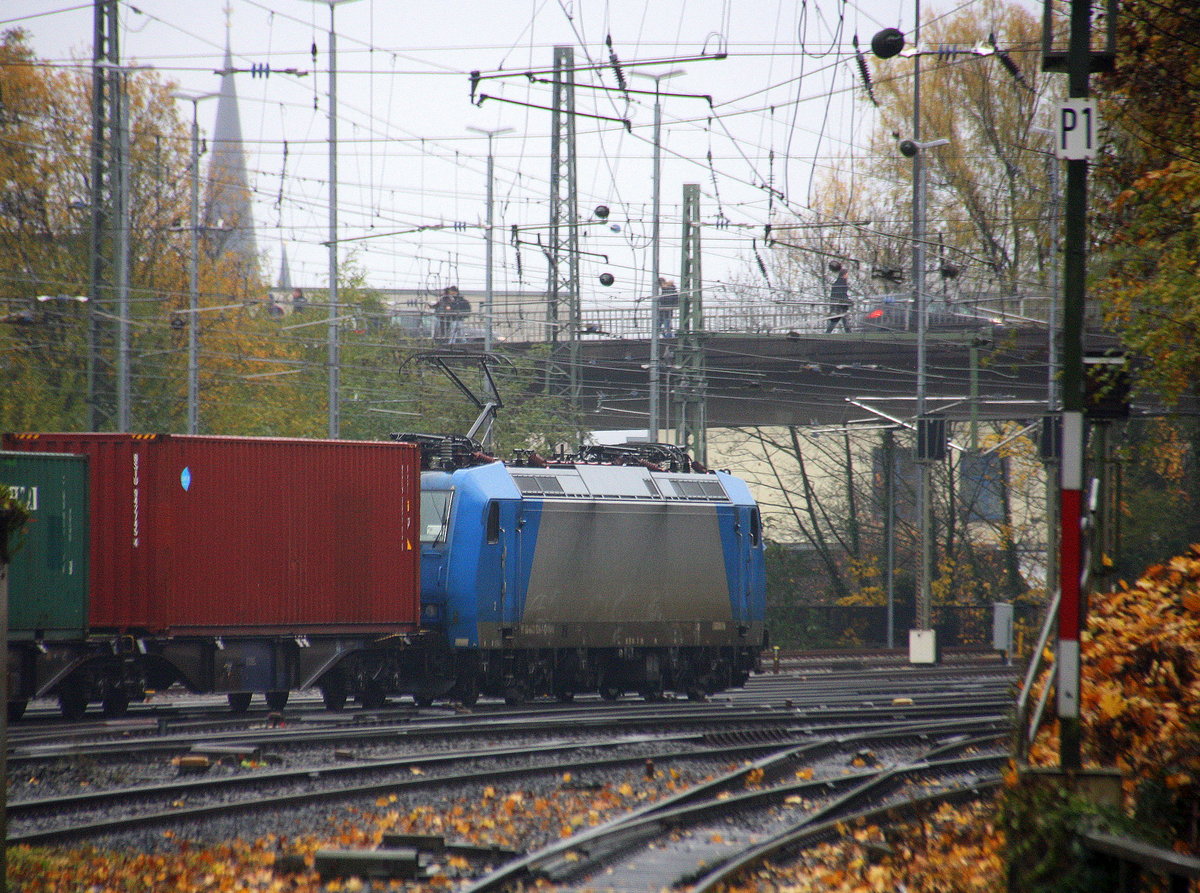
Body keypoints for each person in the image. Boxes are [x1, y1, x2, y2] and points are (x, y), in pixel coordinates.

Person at [824, 263, 851, 333]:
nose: (848, 275)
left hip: (837, 305)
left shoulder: (837, 282)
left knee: (841, 320)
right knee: (840, 320)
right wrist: (848, 301)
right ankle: (827, 333)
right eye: (847, 274)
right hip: (840, 306)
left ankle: (849, 333)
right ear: (844, 274)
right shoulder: (842, 283)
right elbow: (842, 294)